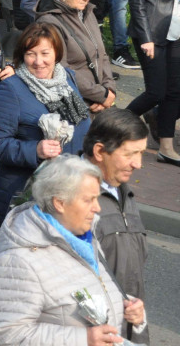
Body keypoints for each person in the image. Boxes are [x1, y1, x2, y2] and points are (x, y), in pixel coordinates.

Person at [0, 155, 147, 345]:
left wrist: (127, 306)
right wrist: (84, 340)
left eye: (97, 198)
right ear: (59, 202)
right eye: (88, 200)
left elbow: (81, 292)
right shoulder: (17, 261)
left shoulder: (85, 239)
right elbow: (5, 336)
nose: (97, 208)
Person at [0, 22, 92, 223]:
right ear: (22, 55)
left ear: (56, 53)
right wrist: (35, 150)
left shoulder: (67, 79)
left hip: (67, 191)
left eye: (45, 53)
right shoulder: (11, 89)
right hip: (27, 196)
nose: (38, 61)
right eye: (31, 54)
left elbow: (82, 128)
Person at [82, 108, 151, 344]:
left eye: (141, 153)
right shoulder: (70, 198)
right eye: (131, 154)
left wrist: (138, 314)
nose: (138, 164)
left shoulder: (123, 193)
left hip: (125, 326)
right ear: (100, 151)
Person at [125, 0, 180, 165]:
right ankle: (115, 124)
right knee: (156, 92)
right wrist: (145, 38)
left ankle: (166, 148)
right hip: (152, 34)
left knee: (174, 92)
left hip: (176, 33)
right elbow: (135, 0)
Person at [35, 0, 116, 112]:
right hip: (75, 103)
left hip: (100, 98)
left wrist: (109, 90)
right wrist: (101, 95)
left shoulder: (87, 12)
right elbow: (60, 69)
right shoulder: (49, 22)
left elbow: (102, 54)